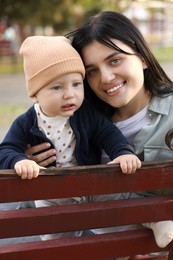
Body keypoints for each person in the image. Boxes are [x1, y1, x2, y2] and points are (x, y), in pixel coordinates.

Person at [25, 11, 173, 257]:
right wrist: (25, 163)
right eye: (92, 71)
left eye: (115, 60)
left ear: (143, 57)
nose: (105, 78)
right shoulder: (73, 118)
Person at [0, 35, 141, 241]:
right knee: (57, 238)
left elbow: (108, 133)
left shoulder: (86, 113)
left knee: (117, 215)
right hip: (52, 193)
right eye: (57, 87)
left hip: (90, 184)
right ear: (35, 95)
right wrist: (19, 160)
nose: (69, 95)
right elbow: (5, 149)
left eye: (76, 84)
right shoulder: (27, 122)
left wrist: (122, 152)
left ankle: (127, 242)